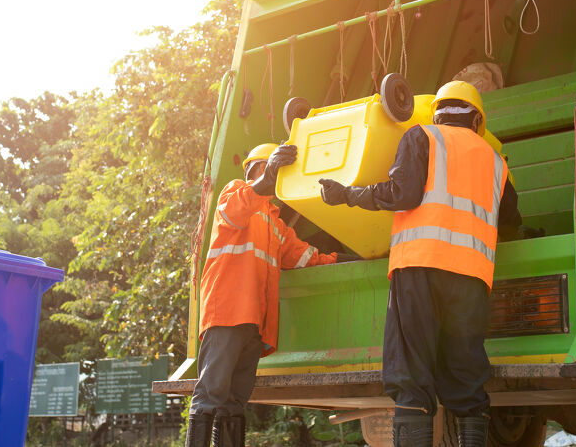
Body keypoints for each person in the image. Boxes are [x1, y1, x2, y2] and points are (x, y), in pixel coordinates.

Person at [318, 81, 520, 447]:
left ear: (438, 113)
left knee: (411, 374)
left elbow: (403, 194)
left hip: (420, 268)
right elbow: (510, 223)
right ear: (477, 120)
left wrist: (346, 194)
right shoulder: (497, 163)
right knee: (466, 372)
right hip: (472, 277)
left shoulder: (421, 137)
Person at [186, 143, 353, 447]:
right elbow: (235, 212)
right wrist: (264, 182)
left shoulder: (276, 225)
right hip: (227, 313)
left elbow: (309, 257)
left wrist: (359, 257)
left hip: (253, 323)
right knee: (210, 394)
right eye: (273, 171)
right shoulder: (235, 192)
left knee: (234, 401)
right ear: (258, 169)